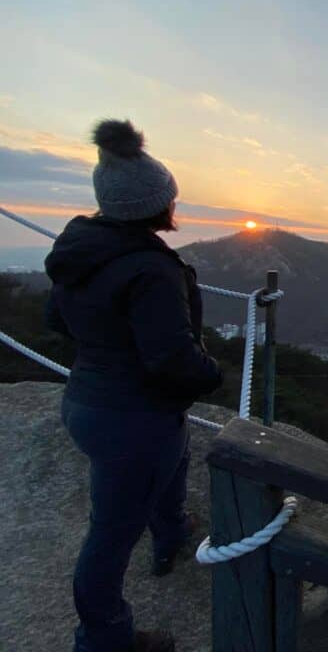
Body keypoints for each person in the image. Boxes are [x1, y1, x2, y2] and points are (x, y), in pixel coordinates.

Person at [45, 120, 223, 652]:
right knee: (110, 533)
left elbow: (56, 318)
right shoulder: (149, 269)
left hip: (86, 400)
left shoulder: (82, 249)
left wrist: (106, 343)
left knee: (175, 455)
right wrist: (211, 375)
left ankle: (171, 532)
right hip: (133, 417)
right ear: (155, 206)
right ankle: (104, 638)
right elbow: (171, 357)